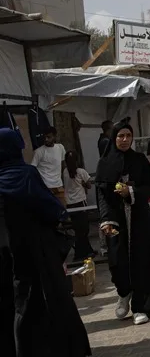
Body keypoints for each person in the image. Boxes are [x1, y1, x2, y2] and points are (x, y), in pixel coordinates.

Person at [0, 128, 92, 356]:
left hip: (7, 254)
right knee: (52, 296)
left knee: (16, 302)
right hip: (38, 249)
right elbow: (50, 208)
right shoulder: (27, 174)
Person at [96, 120, 150, 324]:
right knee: (116, 261)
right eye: (121, 136)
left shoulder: (139, 160)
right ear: (114, 138)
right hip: (115, 220)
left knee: (140, 260)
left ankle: (139, 306)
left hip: (138, 218)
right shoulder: (104, 163)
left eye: (128, 136)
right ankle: (123, 293)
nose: (125, 139)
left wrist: (131, 192)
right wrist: (105, 220)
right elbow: (101, 194)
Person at [63, 150, 96, 260]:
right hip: (80, 203)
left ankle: (88, 250)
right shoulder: (81, 172)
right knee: (84, 229)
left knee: (78, 229)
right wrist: (83, 183)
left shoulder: (65, 172)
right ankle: (80, 254)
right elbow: (89, 185)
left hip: (70, 203)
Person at [32, 126, 67, 207]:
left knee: (62, 210)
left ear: (55, 137)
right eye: (45, 137)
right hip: (45, 187)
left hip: (59, 186)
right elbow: (32, 169)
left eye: (49, 137)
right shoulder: (39, 152)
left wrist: (63, 182)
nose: (46, 139)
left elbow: (63, 165)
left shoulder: (60, 147)